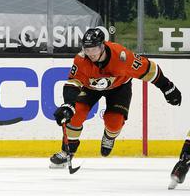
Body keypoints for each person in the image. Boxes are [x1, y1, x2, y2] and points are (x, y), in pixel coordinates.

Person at [49, 28, 182, 168]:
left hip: (119, 87)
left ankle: (109, 137)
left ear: (102, 46)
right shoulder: (81, 59)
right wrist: (68, 104)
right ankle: (67, 152)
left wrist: (167, 87)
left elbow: (149, 69)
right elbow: (73, 83)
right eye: (87, 50)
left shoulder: (122, 56)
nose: (91, 54)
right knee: (76, 114)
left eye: (94, 49)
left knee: (114, 122)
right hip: (90, 88)